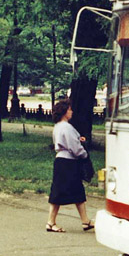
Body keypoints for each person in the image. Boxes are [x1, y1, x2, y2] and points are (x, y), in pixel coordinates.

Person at [46, 98, 93, 233]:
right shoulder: (67, 127)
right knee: (61, 192)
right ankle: (51, 222)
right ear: (65, 112)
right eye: (70, 109)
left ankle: (85, 221)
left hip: (61, 161)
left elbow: (68, 141)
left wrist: (78, 139)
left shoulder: (58, 126)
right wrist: (84, 154)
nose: (71, 112)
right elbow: (74, 147)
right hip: (68, 162)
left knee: (76, 190)